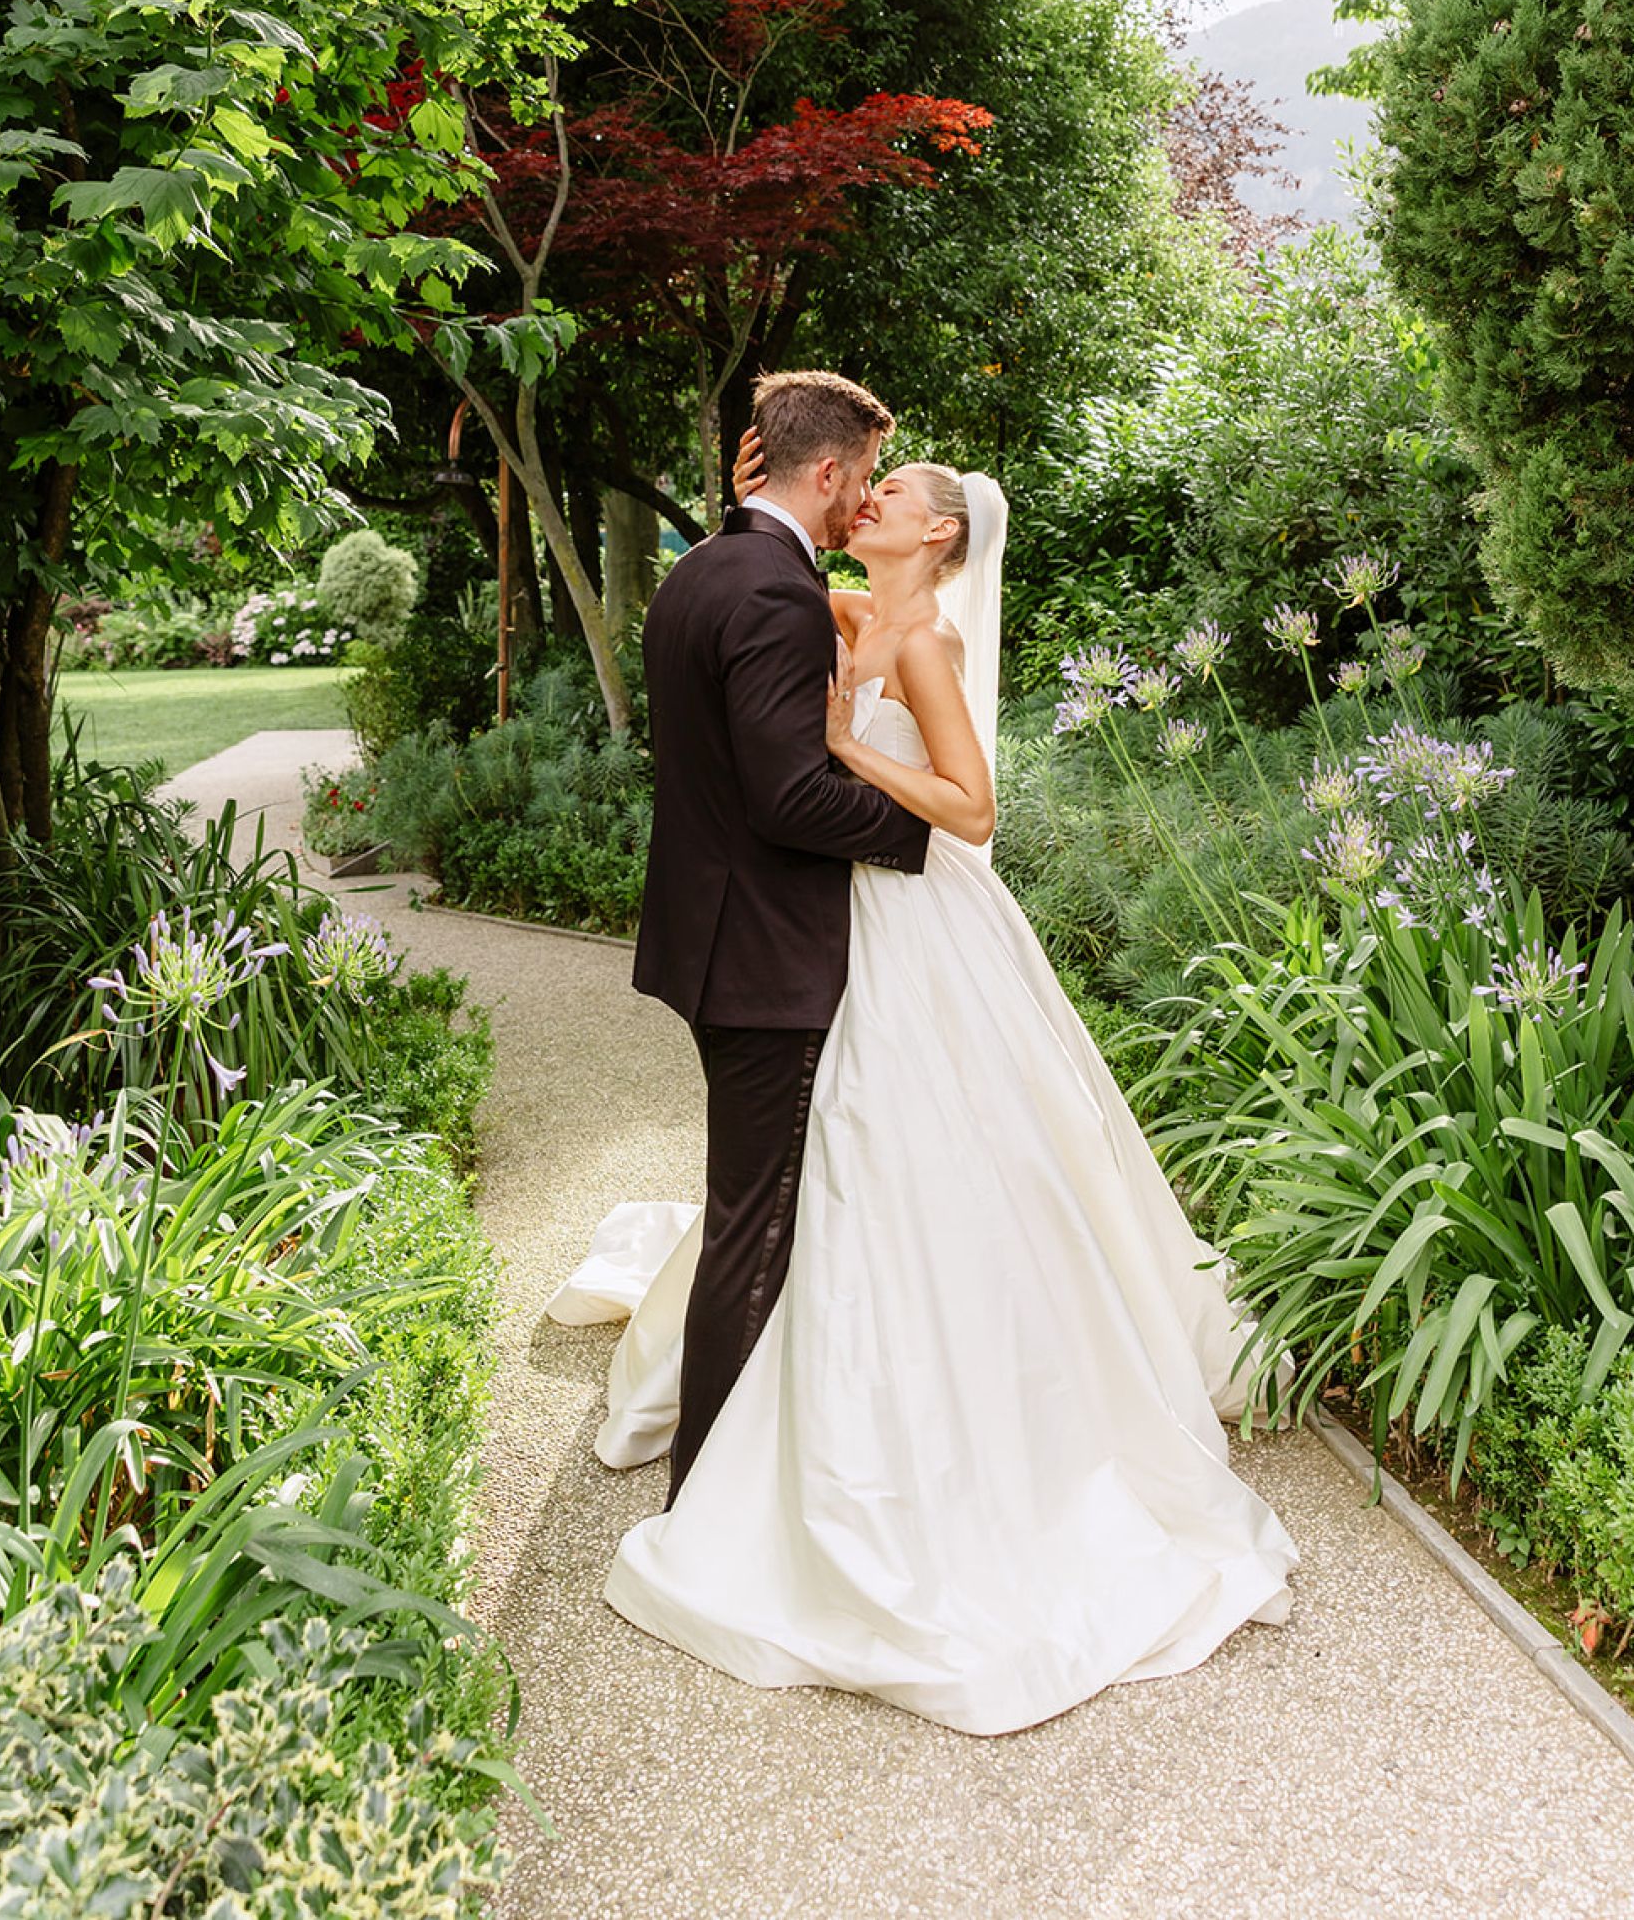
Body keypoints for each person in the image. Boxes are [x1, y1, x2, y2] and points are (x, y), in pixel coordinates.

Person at [548, 403, 1298, 1737]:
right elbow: (781, 626)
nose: (870, 503)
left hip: (896, 917)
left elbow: (973, 803)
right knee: (824, 1178)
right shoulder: (819, 600)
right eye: (861, 485)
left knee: (901, 1160)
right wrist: (787, 523)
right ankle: (759, 1457)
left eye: (893, 496)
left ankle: (889, 1441)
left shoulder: (909, 628)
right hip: (825, 928)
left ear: (937, 531)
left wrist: (843, 745)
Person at [624, 370, 932, 1505]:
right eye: (860, 481)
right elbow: (789, 797)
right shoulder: (778, 595)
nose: (862, 506)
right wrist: (919, 826)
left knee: (745, 1208)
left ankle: (734, 1456)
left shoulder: (705, 568)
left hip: (715, 940)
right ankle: (704, 1491)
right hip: (763, 960)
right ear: (832, 471)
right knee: (755, 1226)